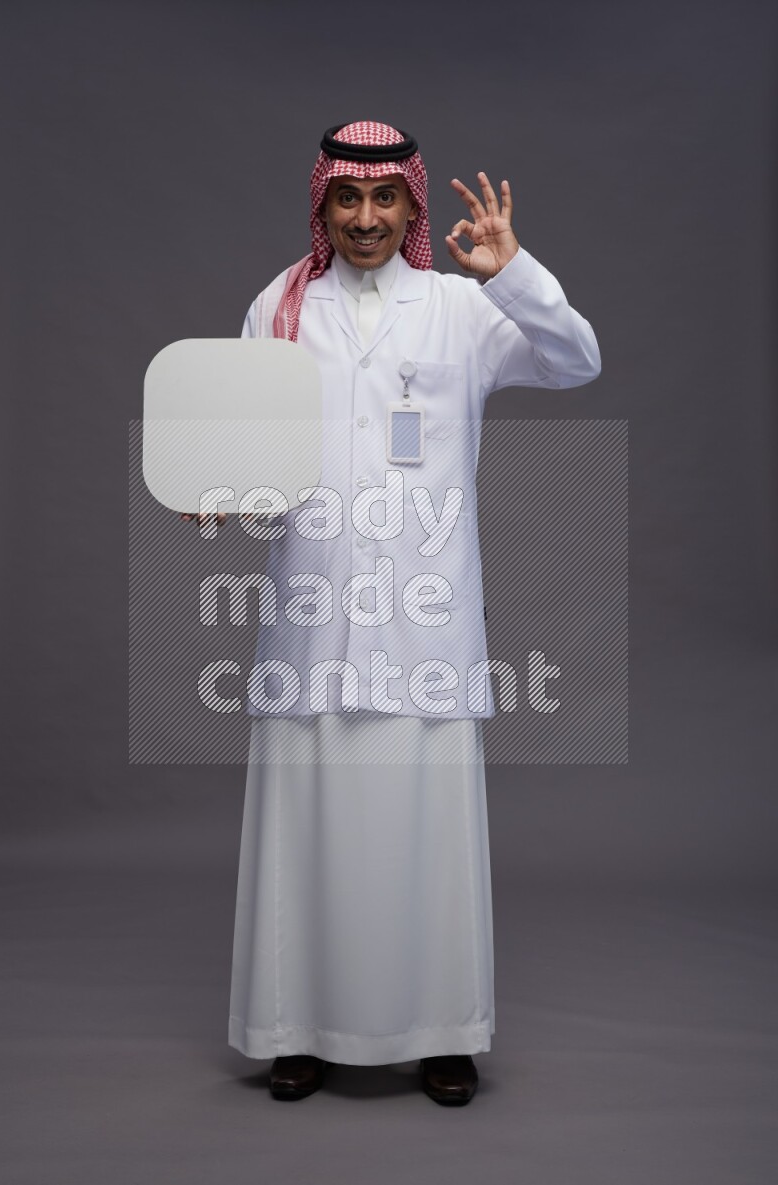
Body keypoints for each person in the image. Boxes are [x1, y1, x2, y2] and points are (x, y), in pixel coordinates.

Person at [216, 121, 600, 1105]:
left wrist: (513, 274)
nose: (365, 218)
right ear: (322, 206)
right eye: (347, 199)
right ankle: (293, 1030)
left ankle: (441, 1034)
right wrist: (224, 489)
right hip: (310, 616)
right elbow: (257, 470)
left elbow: (575, 362)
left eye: (385, 199)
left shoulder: (460, 310)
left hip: (423, 629)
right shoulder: (279, 307)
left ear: (412, 208)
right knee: (304, 832)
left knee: (426, 837)